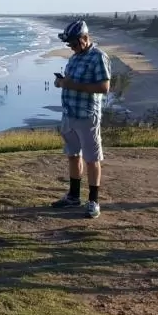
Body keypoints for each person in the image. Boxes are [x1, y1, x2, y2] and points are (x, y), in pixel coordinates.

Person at [51, 20, 111, 218]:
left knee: (92, 158)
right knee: (72, 155)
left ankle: (94, 201)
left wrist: (72, 85)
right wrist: (60, 83)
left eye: (75, 44)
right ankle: (73, 196)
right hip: (69, 114)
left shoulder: (99, 57)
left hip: (87, 115)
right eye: (70, 45)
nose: (72, 48)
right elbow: (69, 82)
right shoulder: (74, 58)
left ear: (85, 38)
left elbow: (104, 88)